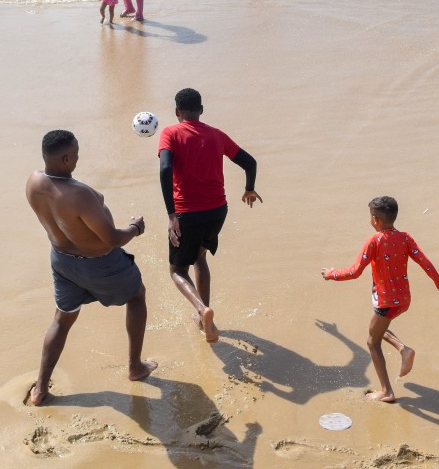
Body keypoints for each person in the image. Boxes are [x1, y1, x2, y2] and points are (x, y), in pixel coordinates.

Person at [24, 130, 155, 407]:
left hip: (62, 261)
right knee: (137, 296)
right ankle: (135, 367)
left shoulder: (34, 182)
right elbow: (113, 239)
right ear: (66, 158)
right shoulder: (79, 195)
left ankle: (40, 390)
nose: (79, 158)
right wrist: (136, 228)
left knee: (61, 320)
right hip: (100, 263)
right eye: (77, 154)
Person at [321, 196, 439, 403]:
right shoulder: (405, 238)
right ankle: (403, 350)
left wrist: (332, 274)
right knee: (377, 330)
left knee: (371, 341)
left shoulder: (374, 241)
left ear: (375, 219)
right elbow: (426, 263)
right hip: (403, 300)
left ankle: (387, 391)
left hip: (386, 302)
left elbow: (355, 271)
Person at [157, 88, 261, 344]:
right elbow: (250, 162)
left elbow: (165, 168)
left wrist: (172, 214)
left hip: (186, 213)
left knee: (177, 270)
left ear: (177, 112)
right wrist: (249, 188)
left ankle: (203, 311)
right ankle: (207, 321)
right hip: (217, 211)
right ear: (201, 110)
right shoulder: (216, 135)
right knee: (200, 257)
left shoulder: (170, 133)